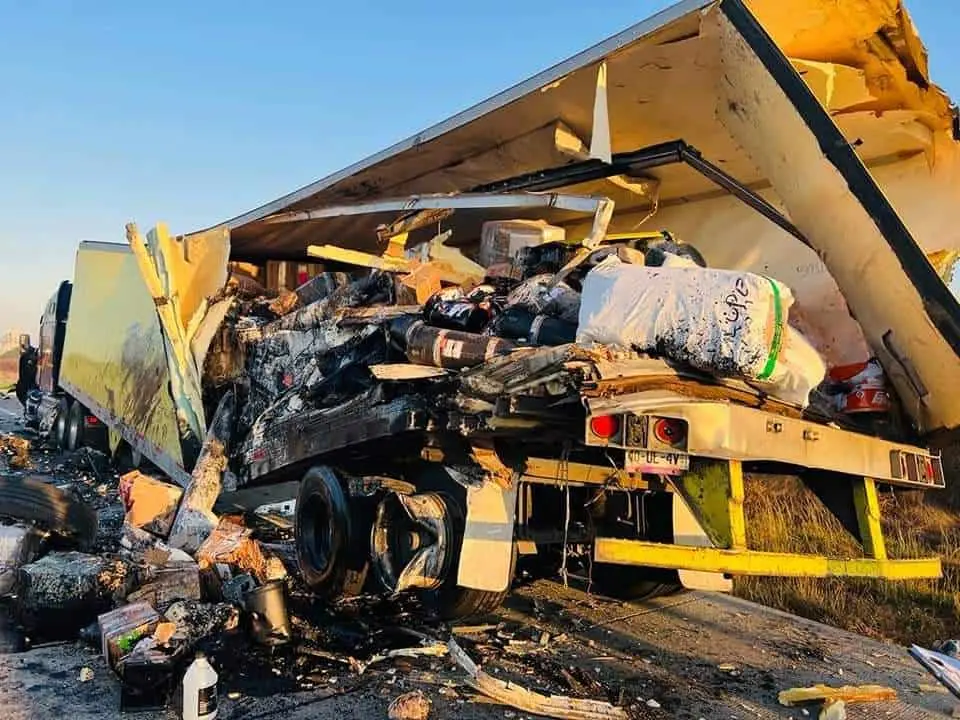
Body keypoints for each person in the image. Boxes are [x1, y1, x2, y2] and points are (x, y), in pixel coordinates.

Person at [15, 334, 38, 408]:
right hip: (27, 383)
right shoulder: (26, 356)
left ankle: (27, 407)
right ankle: (27, 407)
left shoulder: (30, 355)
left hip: (31, 383)